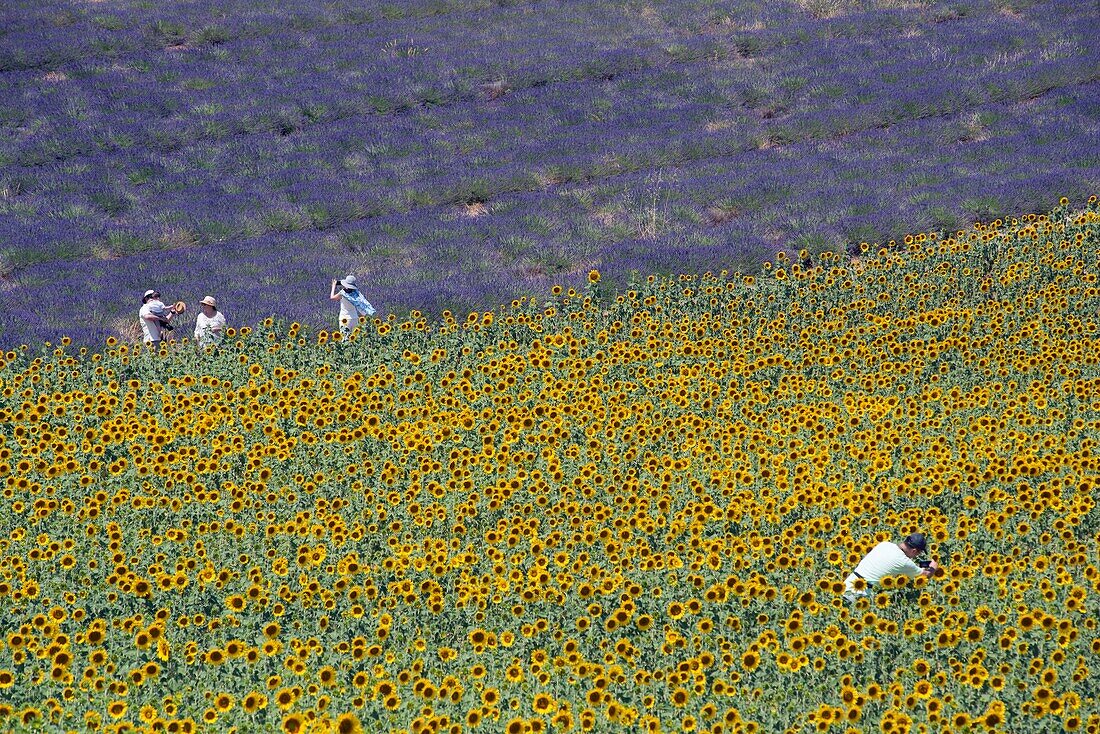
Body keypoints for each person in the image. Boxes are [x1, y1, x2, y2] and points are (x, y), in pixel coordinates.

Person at [843, 533, 938, 604]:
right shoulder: (904, 561)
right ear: (914, 551)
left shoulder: (884, 544)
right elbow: (925, 576)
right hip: (861, 595)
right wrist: (934, 565)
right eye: (918, 553)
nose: (917, 556)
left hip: (847, 585)